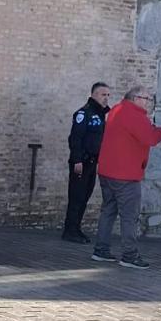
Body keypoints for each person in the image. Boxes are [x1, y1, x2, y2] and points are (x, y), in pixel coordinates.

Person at [91, 86, 161, 270]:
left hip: (108, 171)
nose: (148, 102)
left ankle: (101, 250)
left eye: (149, 99)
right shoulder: (134, 115)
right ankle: (129, 255)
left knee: (108, 211)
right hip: (125, 175)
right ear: (134, 98)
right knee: (129, 216)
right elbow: (150, 138)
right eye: (145, 98)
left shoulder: (117, 109)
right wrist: (160, 131)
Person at [61, 82, 111, 243]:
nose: (106, 98)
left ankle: (76, 228)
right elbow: (76, 138)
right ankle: (70, 230)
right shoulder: (84, 113)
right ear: (94, 95)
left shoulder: (100, 114)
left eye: (108, 95)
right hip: (81, 161)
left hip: (92, 162)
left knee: (84, 196)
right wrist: (77, 159)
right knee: (77, 196)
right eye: (103, 95)